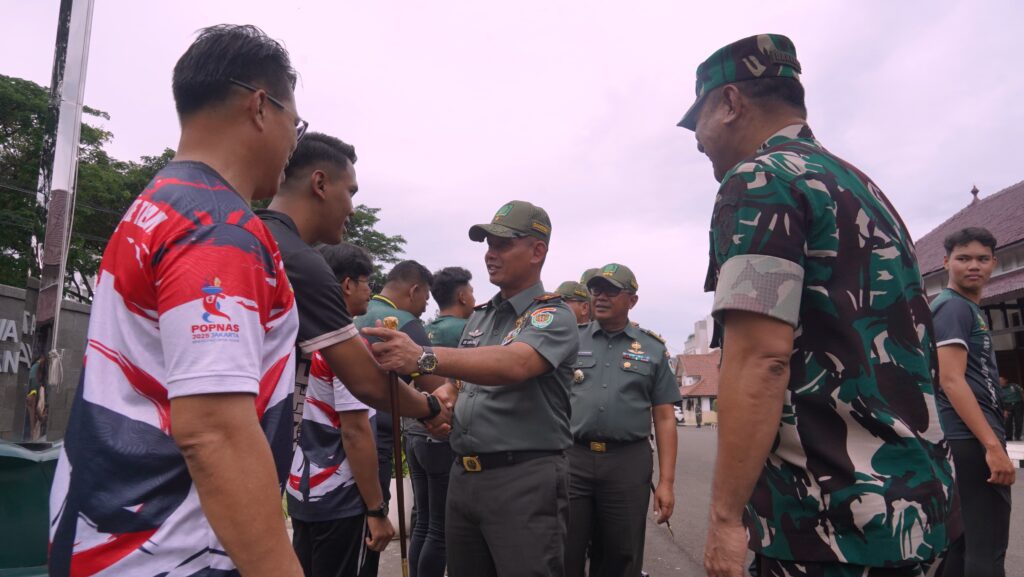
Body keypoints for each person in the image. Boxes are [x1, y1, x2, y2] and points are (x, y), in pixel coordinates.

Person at [678, 34, 956, 577]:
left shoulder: (760, 181)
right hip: (917, 513)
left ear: (731, 102)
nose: (697, 143)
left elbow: (760, 358)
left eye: (700, 122)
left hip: (826, 524)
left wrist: (725, 519)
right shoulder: (863, 187)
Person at [49, 25, 308, 577]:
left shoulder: (156, 206)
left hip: (110, 536)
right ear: (261, 107)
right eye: (295, 121)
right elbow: (213, 429)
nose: (293, 143)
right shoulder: (217, 226)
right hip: (174, 550)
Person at [364, 200, 580, 577]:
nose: (490, 255)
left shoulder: (553, 315)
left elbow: (515, 363)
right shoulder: (480, 316)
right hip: (464, 476)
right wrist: (435, 406)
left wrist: (422, 356)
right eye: (488, 245)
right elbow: (455, 388)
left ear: (538, 251)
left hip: (523, 478)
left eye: (503, 245)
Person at [259, 133, 447, 425]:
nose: (352, 209)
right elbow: (367, 382)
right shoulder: (301, 263)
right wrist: (432, 407)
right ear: (320, 184)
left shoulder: (245, 237)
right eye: (350, 192)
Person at [286, 243, 395, 577]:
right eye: (366, 282)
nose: (370, 292)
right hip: (342, 497)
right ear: (347, 285)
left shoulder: (294, 338)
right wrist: (376, 509)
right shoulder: (346, 350)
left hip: (302, 493)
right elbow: (355, 430)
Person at [565, 263, 679, 577]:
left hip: (627, 462)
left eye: (611, 291)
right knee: (565, 551)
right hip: (574, 459)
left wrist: (666, 483)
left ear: (631, 300)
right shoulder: (570, 341)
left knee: (621, 555)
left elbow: (665, 417)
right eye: (596, 290)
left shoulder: (652, 349)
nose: (600, 297)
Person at [354, 260, 449, 577]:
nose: (424, 309)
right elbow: (433, 386)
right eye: (425, 300)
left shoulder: (352, 312)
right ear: (415, 290)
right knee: (374, 540)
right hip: (375, 441)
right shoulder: (404, 324)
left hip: (335, 440)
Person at [931, 227, 1014, 577]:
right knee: (988, 548)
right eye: (963, 258)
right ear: (946, 262)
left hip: (964, 438)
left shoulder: (965, 308)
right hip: (969, 439)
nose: (973, 266)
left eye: (982, 259)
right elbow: (951, 379)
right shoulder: (952, 308)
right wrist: (992, 446)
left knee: (963, 543)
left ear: (994, 263)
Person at [406, 266, 476, 577]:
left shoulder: (427, 329)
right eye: (471, 291)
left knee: (422, 520)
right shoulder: (465, 331)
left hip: (414, 433)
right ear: (462, 295)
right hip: (441, 434)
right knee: (440, 530)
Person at [25, 353, 48, 441]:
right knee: (32, 420)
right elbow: (33, 379)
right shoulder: (37, 366)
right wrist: (33, 393)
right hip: (32, 394)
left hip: (31, 394)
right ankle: (32, 438)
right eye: (43, 360)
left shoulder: (35, 366)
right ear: (41, 359)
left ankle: (41, 419)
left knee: (34, 416)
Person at [1000, 377, 1023, 442]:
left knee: (1018, 420)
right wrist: (1004, 409)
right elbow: (1000, 399)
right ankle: (1008, 436)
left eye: (1001, 380)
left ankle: (1018, 436)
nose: (1000, 381)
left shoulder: (1014, 386)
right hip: (1007, 405)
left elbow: (1022, 392)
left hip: (1018, 404)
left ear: (1005, 380)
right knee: (1008, 421)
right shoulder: (999, 389)